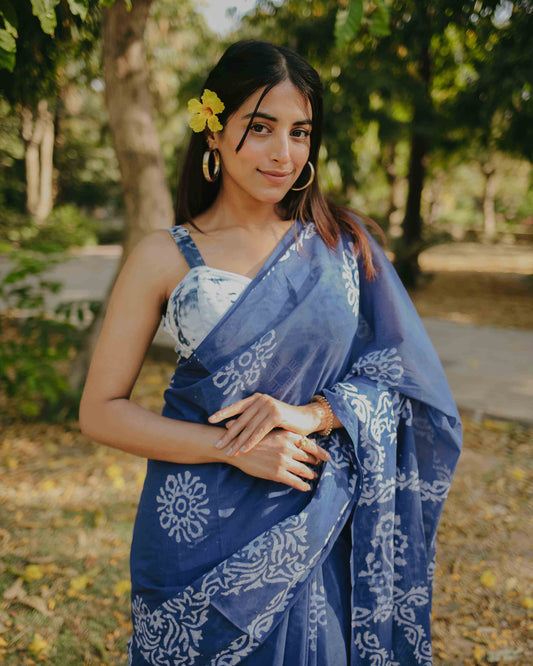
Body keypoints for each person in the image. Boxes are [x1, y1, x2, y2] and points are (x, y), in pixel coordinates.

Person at [79, 39, 462, 665]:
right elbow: (100, 411)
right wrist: (233, 448)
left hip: (316, 516)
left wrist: (312, 414)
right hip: (195, 531)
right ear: (214, 130)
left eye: (299, 132)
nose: (284, 153)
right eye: (261, 128)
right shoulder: (163, 255)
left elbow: (406, 379)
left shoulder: (343, 245)